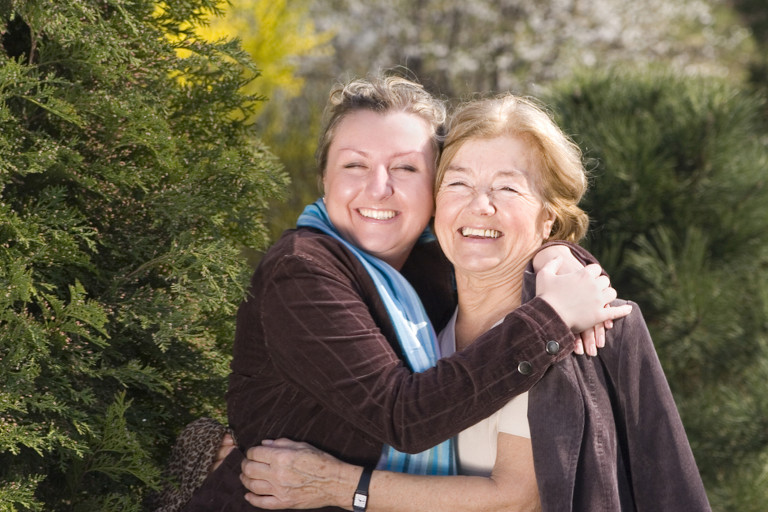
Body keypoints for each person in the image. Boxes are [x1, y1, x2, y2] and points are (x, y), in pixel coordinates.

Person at [238, 94, 711, 511]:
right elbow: (382, 405)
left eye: (506, 187)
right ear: (439, 203)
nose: (479, 204)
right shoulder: (421, 304)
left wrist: (342, 486)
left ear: (549, 218)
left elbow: (515, 500)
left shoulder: (559, 332)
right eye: (459, 183)